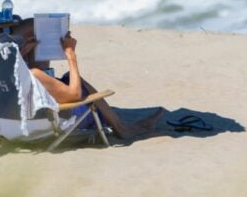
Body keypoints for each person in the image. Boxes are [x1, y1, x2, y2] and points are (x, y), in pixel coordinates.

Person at [20, 31, 165, 140]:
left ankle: (121, 127)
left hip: (20, 122)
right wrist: (71, 54)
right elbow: (75, 94)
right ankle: (122, 129)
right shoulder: (34, 74)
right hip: (59, 119)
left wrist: (22, 53)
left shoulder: (6, 74)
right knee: (78, 85)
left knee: (66, 78)